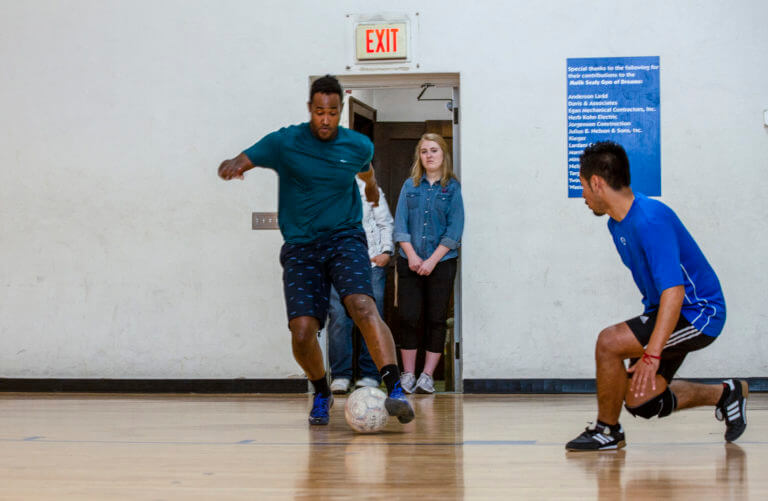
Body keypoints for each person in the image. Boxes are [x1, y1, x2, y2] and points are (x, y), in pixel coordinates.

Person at [217, 75, 414, 426]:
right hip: (301, 246)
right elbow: (247, 156)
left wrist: (370, 190)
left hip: (345, 238)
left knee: (362, 305)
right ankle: (322, 390)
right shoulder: (285, 141)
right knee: (303, 330)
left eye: (333, 112)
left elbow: (367, 173)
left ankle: (395, 388)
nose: (325, 119)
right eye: (319, 111)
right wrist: (235, 165)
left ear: (341, 111)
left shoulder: (357, 145)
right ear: (310, 109)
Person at [566, 141, 747, 451]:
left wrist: (652, 353)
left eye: (582, 186)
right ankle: (726, 393)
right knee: (641, 401)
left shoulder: (650, 219)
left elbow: (674, 291)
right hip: (670, 310)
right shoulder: (617, 224)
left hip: (699, 313)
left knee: (609, 343)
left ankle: (607, 431)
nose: (583, 195)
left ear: (596, 183)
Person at [393, 133, 464, 394]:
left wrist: (432, 261)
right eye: (424, 151)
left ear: (443, 154)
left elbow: (455, 230)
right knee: (409, 318)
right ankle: (408, 375)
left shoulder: (453, 188)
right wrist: (412, 256)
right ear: (419, 157)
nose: (429, 155)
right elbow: (400, 226)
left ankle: (427, 376)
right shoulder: (409, 186)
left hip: (442, 263)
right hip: (409, 261)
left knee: (436, 319)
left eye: (434, 150)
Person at [328, 175, 394, 394]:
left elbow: (385, 223)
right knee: (338, 318)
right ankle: (340, 375)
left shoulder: (370, 188)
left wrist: (385, 251)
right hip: (336, 264)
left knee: (370, 319)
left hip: (370, 264)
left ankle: (370, 374)